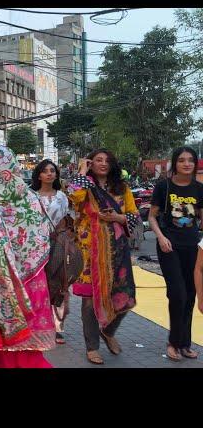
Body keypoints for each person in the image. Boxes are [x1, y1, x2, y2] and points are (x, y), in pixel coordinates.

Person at [0, 145, 55, 368]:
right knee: (29, 353)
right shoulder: (32, 198)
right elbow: (45, 238)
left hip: (1, 287)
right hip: (34, 283)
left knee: (2, 353)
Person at [68, 149, 140, 365]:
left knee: (125, 295)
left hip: (117, 249)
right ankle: (92, 347)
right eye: (98, 160)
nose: (103, 164)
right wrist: (82, 170)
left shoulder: (121, 187)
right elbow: (74, 197)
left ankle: (108, 331)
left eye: (107, 160)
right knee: (89, 301)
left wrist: (117, 216)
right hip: (90, 250)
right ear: (91, 163)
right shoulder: (84, 184)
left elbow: (135, 217)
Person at [148, 146, 203, 361]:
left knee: (190, 294)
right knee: (177, 293)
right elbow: (152, 216)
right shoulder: (164, 186)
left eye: (190, 160)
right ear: (175, 163)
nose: (186, 164)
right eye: (182, 160)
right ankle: (173, 342)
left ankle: (185, 344)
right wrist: (161, 237)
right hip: (168, 246)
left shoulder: (199, 189)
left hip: (193, 247)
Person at [32, 159, 70, 345]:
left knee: (59, 285)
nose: (49, 173)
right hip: (35, 246)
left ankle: (57, 327)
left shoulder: (61, 197)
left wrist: (60, 239)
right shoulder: (31, 196)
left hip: (57, 245)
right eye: (45, 171)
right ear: (38, 174)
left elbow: (65, 221)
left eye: (52, 171)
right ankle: (38, 323)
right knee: (38, 285)